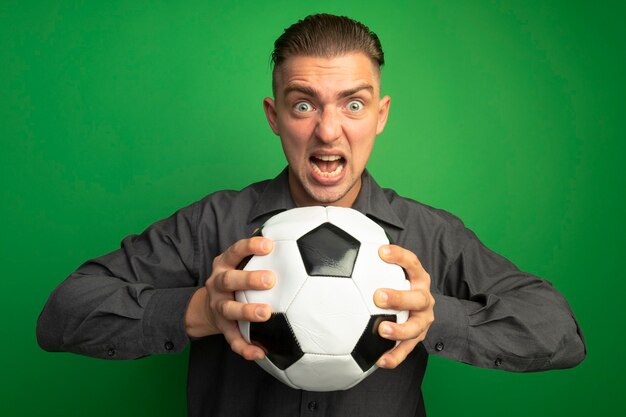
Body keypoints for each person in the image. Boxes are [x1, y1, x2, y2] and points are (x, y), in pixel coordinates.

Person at [36, 13, 586, 417]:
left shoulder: (427, 235)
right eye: (304, 104)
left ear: (380, 114)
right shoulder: (215, 225)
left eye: (353, 103)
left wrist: (431, 317)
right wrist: (201, 309)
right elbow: (62, 313)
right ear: (275, 117)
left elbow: (560, 332)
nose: (328, 130)